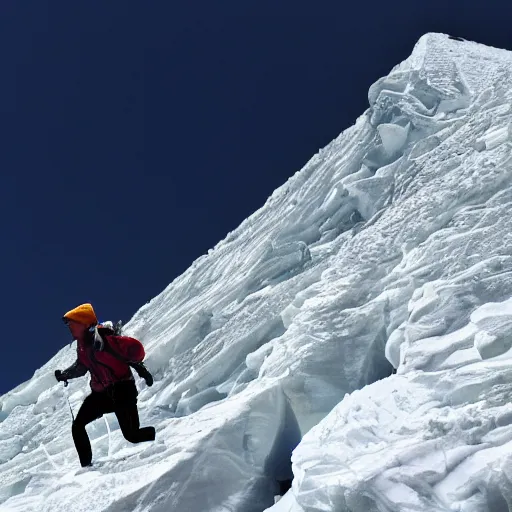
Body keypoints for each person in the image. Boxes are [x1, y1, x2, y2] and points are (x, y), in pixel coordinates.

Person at [55, 303, 156, 467]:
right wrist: (65, 374)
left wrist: (141, 370)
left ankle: (163, 437)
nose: (70, 329)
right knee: (77, 426)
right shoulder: (82, 347)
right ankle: (86, 467)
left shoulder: (106, 341)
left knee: (132, 435)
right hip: (101, 394)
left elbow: (131, 353)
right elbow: (81, 366)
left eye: (73, 324)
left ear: (84, 323)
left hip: (122, 390)